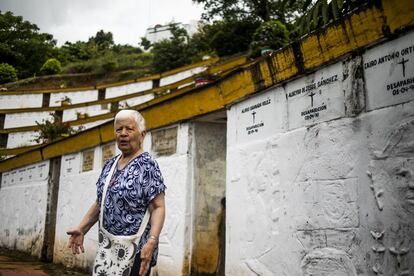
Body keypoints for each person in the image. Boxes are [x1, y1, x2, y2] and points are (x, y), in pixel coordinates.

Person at [67, 109, 166, 276]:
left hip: (136, 251)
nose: (123, 134)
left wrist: (152, 241)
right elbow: (101, 201)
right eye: (119, 129)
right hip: (108, 248)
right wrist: (81, 229)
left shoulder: (147, 165)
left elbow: (158, 207)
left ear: (142, 135)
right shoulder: (110, 165)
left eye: (129, 129)